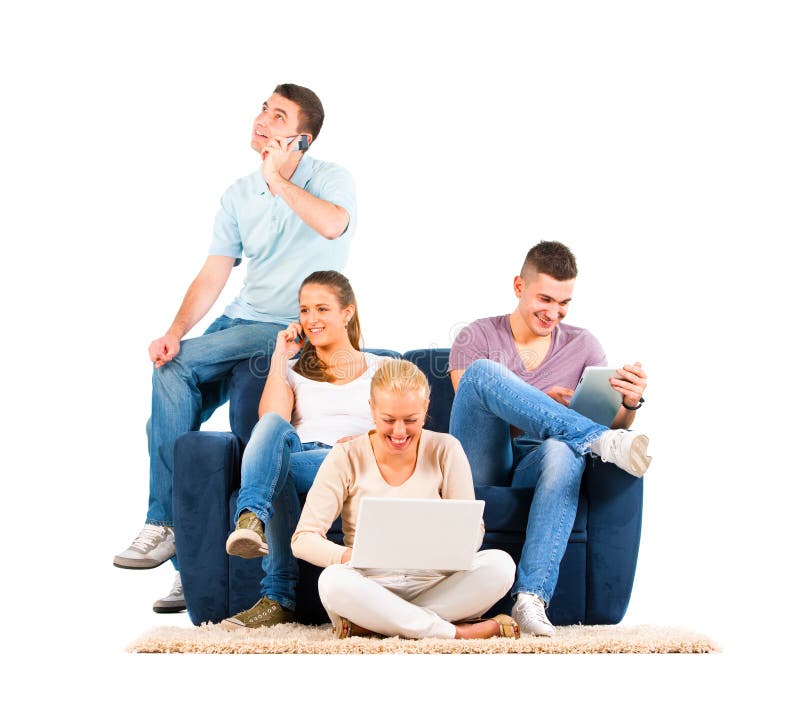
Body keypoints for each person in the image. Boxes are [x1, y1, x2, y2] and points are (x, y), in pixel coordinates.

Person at [113, 84, 357, 615]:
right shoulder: (237, 194)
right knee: (167, 397)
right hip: (239, 318)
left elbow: (334, 224)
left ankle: (166, 526)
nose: (262, 121)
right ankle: (188, 563)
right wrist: (175, 329)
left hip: (283, 324)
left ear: (302, 139)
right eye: (262, 110)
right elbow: (214, 271)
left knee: (177, 378)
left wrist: (279, 178)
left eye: (278, 116)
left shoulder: (329, 180)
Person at [448, 241, 652, 637]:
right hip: (482, 457)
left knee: (564, 449)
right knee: (483, 373)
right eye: (545, 298)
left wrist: (629, 403)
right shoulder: (476, 336)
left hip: (539, 463)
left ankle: (531, 598)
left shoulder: (584, 345)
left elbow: (614, 422)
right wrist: (547, 407)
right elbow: (475, 409)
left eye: (564, 303)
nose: (553, 313)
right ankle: (593, 438)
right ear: (518, 286)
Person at [291, 359, 519, 640]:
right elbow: (303, 539)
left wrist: (451, 551)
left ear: (425, 409)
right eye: (388, 420)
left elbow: (473, 529)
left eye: (410, 420)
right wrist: (349, 556)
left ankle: (381, 624)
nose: (399, 432)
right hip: (369, 585)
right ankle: (456, 633)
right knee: (332, 581)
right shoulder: (346, 455)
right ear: (372, 409)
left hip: (436, 580)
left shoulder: (446, 449)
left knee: (501, 564)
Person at [219, 270, 384, 629]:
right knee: (271, 438)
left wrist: (366, 441)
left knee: (274, 471)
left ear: (347, 313)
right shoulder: (293, 370)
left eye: (322, 309)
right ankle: (251, 521)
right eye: (304, 310)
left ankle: (277, 595)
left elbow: (404, 425)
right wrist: (281, 357)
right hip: (298, 453)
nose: (311, 320)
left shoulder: (384, 369)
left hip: (348, 459)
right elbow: (271, 422)